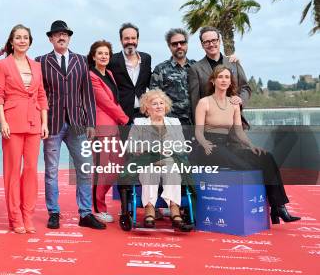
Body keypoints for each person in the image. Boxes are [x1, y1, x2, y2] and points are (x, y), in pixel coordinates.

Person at [194, 65, 300, 224]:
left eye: (227, 77)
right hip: (207, 148)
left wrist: (251, 146)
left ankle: (278, 207)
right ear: (213, 80)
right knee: (245, 165)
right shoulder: (204, 102)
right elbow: (198, 132)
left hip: (227, 145)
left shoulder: (234, 103)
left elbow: (239, 132)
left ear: (230, 82)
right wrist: (204, 143)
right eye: (220, 77)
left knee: (265, 157)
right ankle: (261, 205)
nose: (224, 80)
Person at [36, 21, 103, 230]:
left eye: (64, 34)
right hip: (52, 123)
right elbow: (39, 94)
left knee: (84, 168)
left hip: (78, 124)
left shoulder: (81, 61)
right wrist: (40, 121)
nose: (61, 37)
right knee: (52, 171)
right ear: (51, 39)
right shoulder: (41, 62)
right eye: (57, 35)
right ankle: (54, 212)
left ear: (69, 37)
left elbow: (88, 95)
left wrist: (91, 122)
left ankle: (85, 213)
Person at [0, 24, 48, 234]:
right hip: (12, 122)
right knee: (12, 171)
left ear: (30, 41)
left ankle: (28, 215)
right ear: (12, 41)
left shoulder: (36, 66)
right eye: (18, 37)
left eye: (25, 37)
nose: (22, 41)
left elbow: (42, 95)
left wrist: (44, 122)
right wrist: (3, 122)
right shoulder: (2, 64)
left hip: (34, 121)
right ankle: (15, 217)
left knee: (31, 170)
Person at [128, 90, 193, 231]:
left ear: (166, 106)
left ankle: (174, 209)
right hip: (147, 160)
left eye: (161, 103)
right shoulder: (139, 123)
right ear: (147, 108)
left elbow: (182, 145)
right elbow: (131, 145)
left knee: (172, 169)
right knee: (150, 170)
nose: (159, 106)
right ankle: (150, 209)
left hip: (169, 158)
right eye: (154, 103)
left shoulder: (174, 122)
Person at [87, 40, 129, 223]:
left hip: (114, 127)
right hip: (101, 128)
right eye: (100, 53)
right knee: (101, 170)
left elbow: (115, 101)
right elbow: (106, 103)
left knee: (117, 167)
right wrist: (127, 120)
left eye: (106, 53)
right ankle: (98, 208)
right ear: (93, 56)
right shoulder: (92, 76)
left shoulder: (110, 74)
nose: (104, 56)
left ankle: (99, 201)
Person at [188, 26, 251, 124]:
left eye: (214, 40)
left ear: (219, 41)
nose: (211, 44)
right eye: (207, 42)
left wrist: (240, 99)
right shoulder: (195, 69)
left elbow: (245, 88)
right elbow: (194, 101)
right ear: (202, 45)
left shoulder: (234, 63)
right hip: (210, 126)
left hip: (236, 122)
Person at [150, 29, 197, 125]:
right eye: (175, 44)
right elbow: (154, 97)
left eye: (182, 43)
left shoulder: (196, 66)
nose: (179, 46)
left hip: (196, 122)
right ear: (169, 47)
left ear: (186, 44)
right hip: (171, 123)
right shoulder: (160, 69)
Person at [107, 23, 152, 122]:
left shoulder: (146, 58)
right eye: (127, 38)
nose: (130, 41)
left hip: (144, 115)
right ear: (121, 40)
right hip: (122, 115)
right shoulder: (112, 60)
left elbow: (150, 84)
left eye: (133, 38)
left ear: (137, 40)